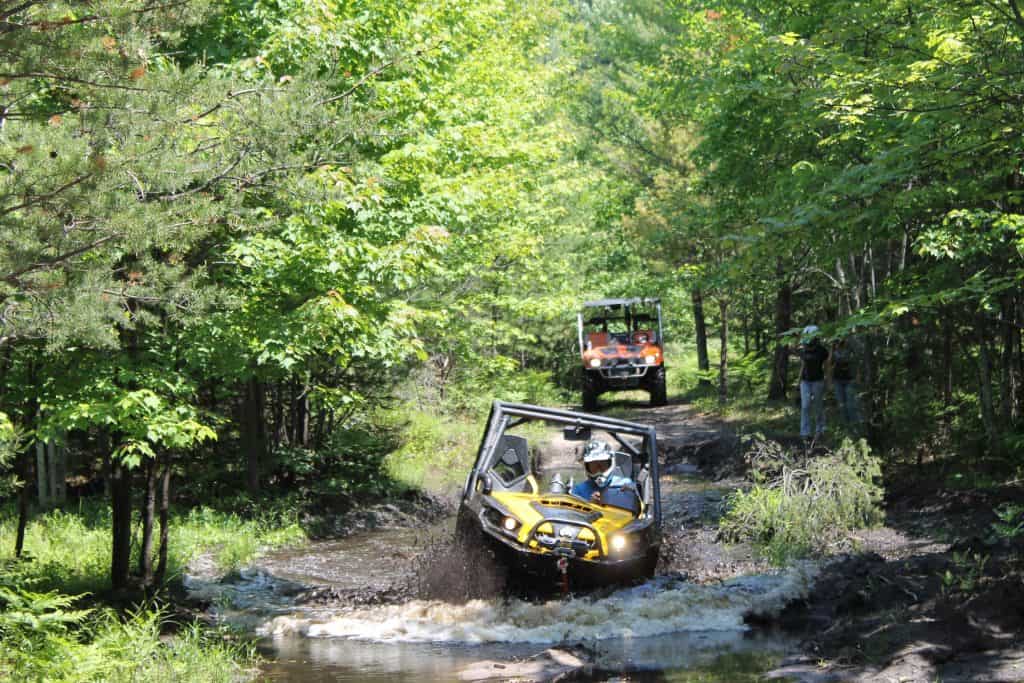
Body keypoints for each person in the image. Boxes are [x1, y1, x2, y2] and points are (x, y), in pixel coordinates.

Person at [570, 439, 637, 511]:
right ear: (586, 467)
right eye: (594, 467)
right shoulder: (579, 490)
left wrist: (631, 491)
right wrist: (590, 505)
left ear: (611, 463)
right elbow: (574, 515)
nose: (599, 471)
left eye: (603, 465)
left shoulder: (625, 483)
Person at [795, 325, 829, 440]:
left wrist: (828, 381)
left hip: (818, 381)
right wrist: (797, 382)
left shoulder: (822, 351)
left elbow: (827, 366)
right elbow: (803, 365)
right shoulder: (803, 349)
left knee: (818, 406)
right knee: (805, 406)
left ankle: (821, 429)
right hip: (805, 381)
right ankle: (805, 432)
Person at [831, 338, 861, 427]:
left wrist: (858, 375)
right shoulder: (834, 352)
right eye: (837, 342)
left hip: (849, 379)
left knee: (850, 404)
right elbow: (829, 365)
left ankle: (854, 424)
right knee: (841, 404)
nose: (839, 343)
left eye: (840, 342)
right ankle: (846, 426)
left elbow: (856, 362)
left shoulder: (850, 350)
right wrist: (830, 381)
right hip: (837, 380)